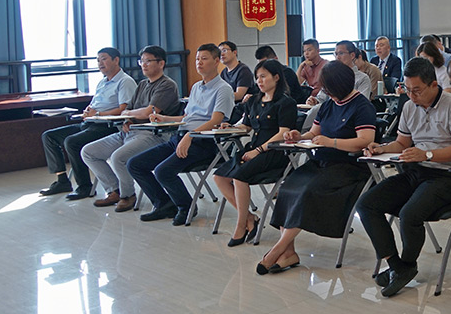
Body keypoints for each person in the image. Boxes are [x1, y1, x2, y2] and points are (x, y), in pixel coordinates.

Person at [355, 58, 451, 297]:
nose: (411, 95)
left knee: (410, 214)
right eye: (407, 89)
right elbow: (402, 143)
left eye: (417, 90)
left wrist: (428, 154)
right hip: (415, 171)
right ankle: (397, 266)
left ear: (433, 85)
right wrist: (381, 148)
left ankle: (407, 265)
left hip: (448, 176)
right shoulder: (409, 107)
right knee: (366, 204)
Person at [260, 61, 377, 273]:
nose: (326, 93)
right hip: (321, 162)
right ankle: (288, 252)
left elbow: (364, 141)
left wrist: (332, 142)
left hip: (348, 166)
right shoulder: (328, 105)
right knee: (288, 188)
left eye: (328, 89)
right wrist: (299, 136)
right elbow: (314, 133)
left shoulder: (362, 106)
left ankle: (277, 249)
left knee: (308, 192)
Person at [128, 43, 235, 225]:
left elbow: (216, 120)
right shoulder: (196, 87)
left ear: (217, 61)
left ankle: (186, 207)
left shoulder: (223, 88)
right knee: (135, 164)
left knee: (163, 171)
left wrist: (190, 135)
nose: (199, 62)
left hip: (204, 142)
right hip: (181, 137)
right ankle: (163, 203)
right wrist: (165, 118)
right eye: (197, 59)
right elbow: (187, 118)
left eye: (204, 59)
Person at [80, 45, 181, 212]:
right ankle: (114, 190)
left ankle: (128, 196)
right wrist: (128, 118)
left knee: (118, 157)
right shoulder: (142, 84)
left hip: (153, 134)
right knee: (88, 152)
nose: (144, 65)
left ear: (161, 63)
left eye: (148, 61)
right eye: (141, 61)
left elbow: (149, 112)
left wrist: (129, 113)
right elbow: (127, 111)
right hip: (129, 131)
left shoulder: (167, 85)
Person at [213, 60, 298, 247]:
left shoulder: (286, 103)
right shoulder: (253, 101)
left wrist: (258, 150)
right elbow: (247, 126)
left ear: (276, 77)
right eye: (257, 77)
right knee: (219, 177)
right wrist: (231, 127)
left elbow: (282, 133)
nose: (259, 81)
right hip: (253, 149)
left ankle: (240, 225)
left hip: (274, 152)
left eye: (263, 76)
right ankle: (249, 218)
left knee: (239, 177)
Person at [39, 47, 138, 199]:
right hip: (90, 123)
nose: (100, 63)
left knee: (72, 142)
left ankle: (84, 186)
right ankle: (62, 181)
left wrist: (97, 114)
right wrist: (88, 111)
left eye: (104, 59)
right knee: (49, 136)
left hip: (108, 127)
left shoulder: (125, 81)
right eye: (98, 60)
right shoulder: (102, 82)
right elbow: (94, 105)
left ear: (116, 60)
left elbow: (124, 109)